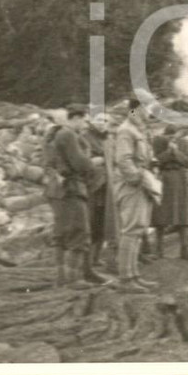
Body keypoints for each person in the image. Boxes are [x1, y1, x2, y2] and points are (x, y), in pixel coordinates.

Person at [48, 107, 98, 289]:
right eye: (84, 120)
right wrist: (92, 163)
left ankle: (61, 278)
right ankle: (74, 279)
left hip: (57, 190)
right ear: (76, 118)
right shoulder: (69, 135)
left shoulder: (55, 134)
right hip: (71, 189)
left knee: (61, 234)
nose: (85, 125)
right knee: (79, 231)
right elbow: (80, 163)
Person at [113, 99, 160, 293]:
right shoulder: (126, 130)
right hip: (132, 185)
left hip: (142, 182)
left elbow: (144, 156)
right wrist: (138, 179)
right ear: (138, 109)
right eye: (147, 108)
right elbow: (123, 161)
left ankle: (134, 275)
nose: (150, 112)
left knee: (139, 229)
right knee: (131, 230)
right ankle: (125, 279)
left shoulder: (139, 130)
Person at [151, 126, 188, 260]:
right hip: (163, 178)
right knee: (160, 216)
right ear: (164, 135)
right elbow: (155, 161)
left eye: (173, 135)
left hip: (180, 178)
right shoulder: (158, 142)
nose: (171, 138)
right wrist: (168, 151)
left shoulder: (183, 142)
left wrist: (176, 152)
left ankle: (185, 250)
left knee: (182, 215)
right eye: (168, 136)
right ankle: (159, 251)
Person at [80, 113, 114, 283]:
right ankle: (86, 265)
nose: (102, 123)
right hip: (91, 186)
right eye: (99, 120)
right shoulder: (84, 137)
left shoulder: (108, 139)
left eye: (105, 121)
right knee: (89, 223)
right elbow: (81, 160)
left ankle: (96, 257)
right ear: (92, 122)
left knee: (102, 222)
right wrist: (94, 161)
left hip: (106, 186)